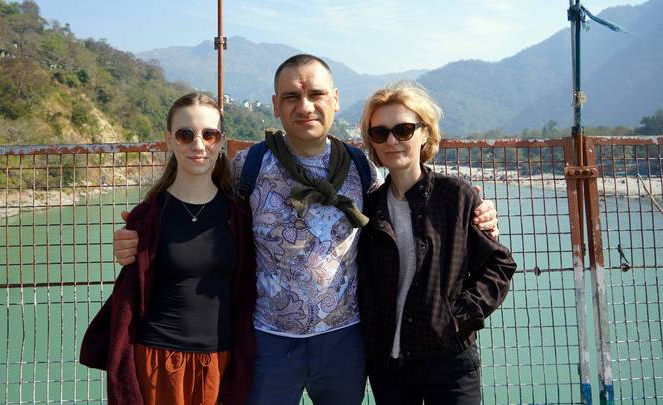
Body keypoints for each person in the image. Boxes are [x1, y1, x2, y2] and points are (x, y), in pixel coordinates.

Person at [113, 55, 500, 405]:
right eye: (291, 97)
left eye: (316, 94)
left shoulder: (361, 168)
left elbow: (402, 210)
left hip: (345, 340)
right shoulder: (247, 167)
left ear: (334, 99)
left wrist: (477, 213)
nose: (305, 107)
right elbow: (197, 198)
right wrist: (143, 233)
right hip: (268, 340)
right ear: (276, 105)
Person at [79, 92, 256, 405]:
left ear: (221, 141)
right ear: (169, 140)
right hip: (158, 362)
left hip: (221, 363)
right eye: (185, 134)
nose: (198, 145)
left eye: (209, 134)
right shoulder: (147, 217)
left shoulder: (239, 215)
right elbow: (131, 294)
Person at [356, 83, 517, 405]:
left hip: (449, 360)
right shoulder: (367, 207)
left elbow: (499, 266)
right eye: (380, 133)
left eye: (403, 130)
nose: (391, 141)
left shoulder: (456, 197)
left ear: (424, 134)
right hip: (388, 366)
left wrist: (458, 315)